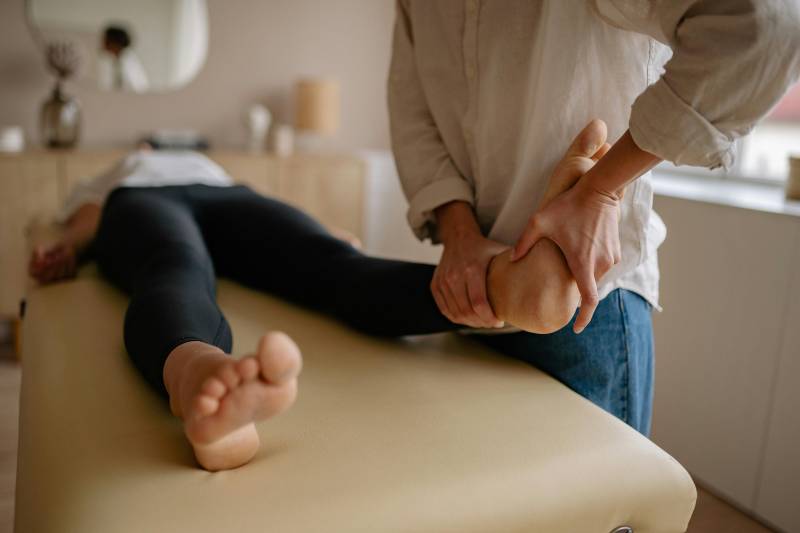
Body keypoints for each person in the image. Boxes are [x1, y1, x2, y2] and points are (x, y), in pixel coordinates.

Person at [29, 124, 605, 471]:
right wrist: (69, 247)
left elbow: (278, 221)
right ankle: (199, 380)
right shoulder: (124, 170)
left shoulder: (211, 162)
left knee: (333, 265)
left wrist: (323, 232)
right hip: (144, 203)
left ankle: (504, 287)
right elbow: (90, 217)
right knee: (175, 266)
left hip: (228, 195)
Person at [388, 0, 800, 436]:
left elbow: (765, 27)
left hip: (590, 305)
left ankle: (545, 271)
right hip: (474, 291)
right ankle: (522, 278)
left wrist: (601, 188)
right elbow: (413, 112)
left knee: (588, 503)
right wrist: (459, 235)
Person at [97, 25, 150, 93]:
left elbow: (135, 88)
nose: (102, 43)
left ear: (113, 42)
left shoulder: (128, 62)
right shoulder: (112, 61)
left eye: (105, 39)